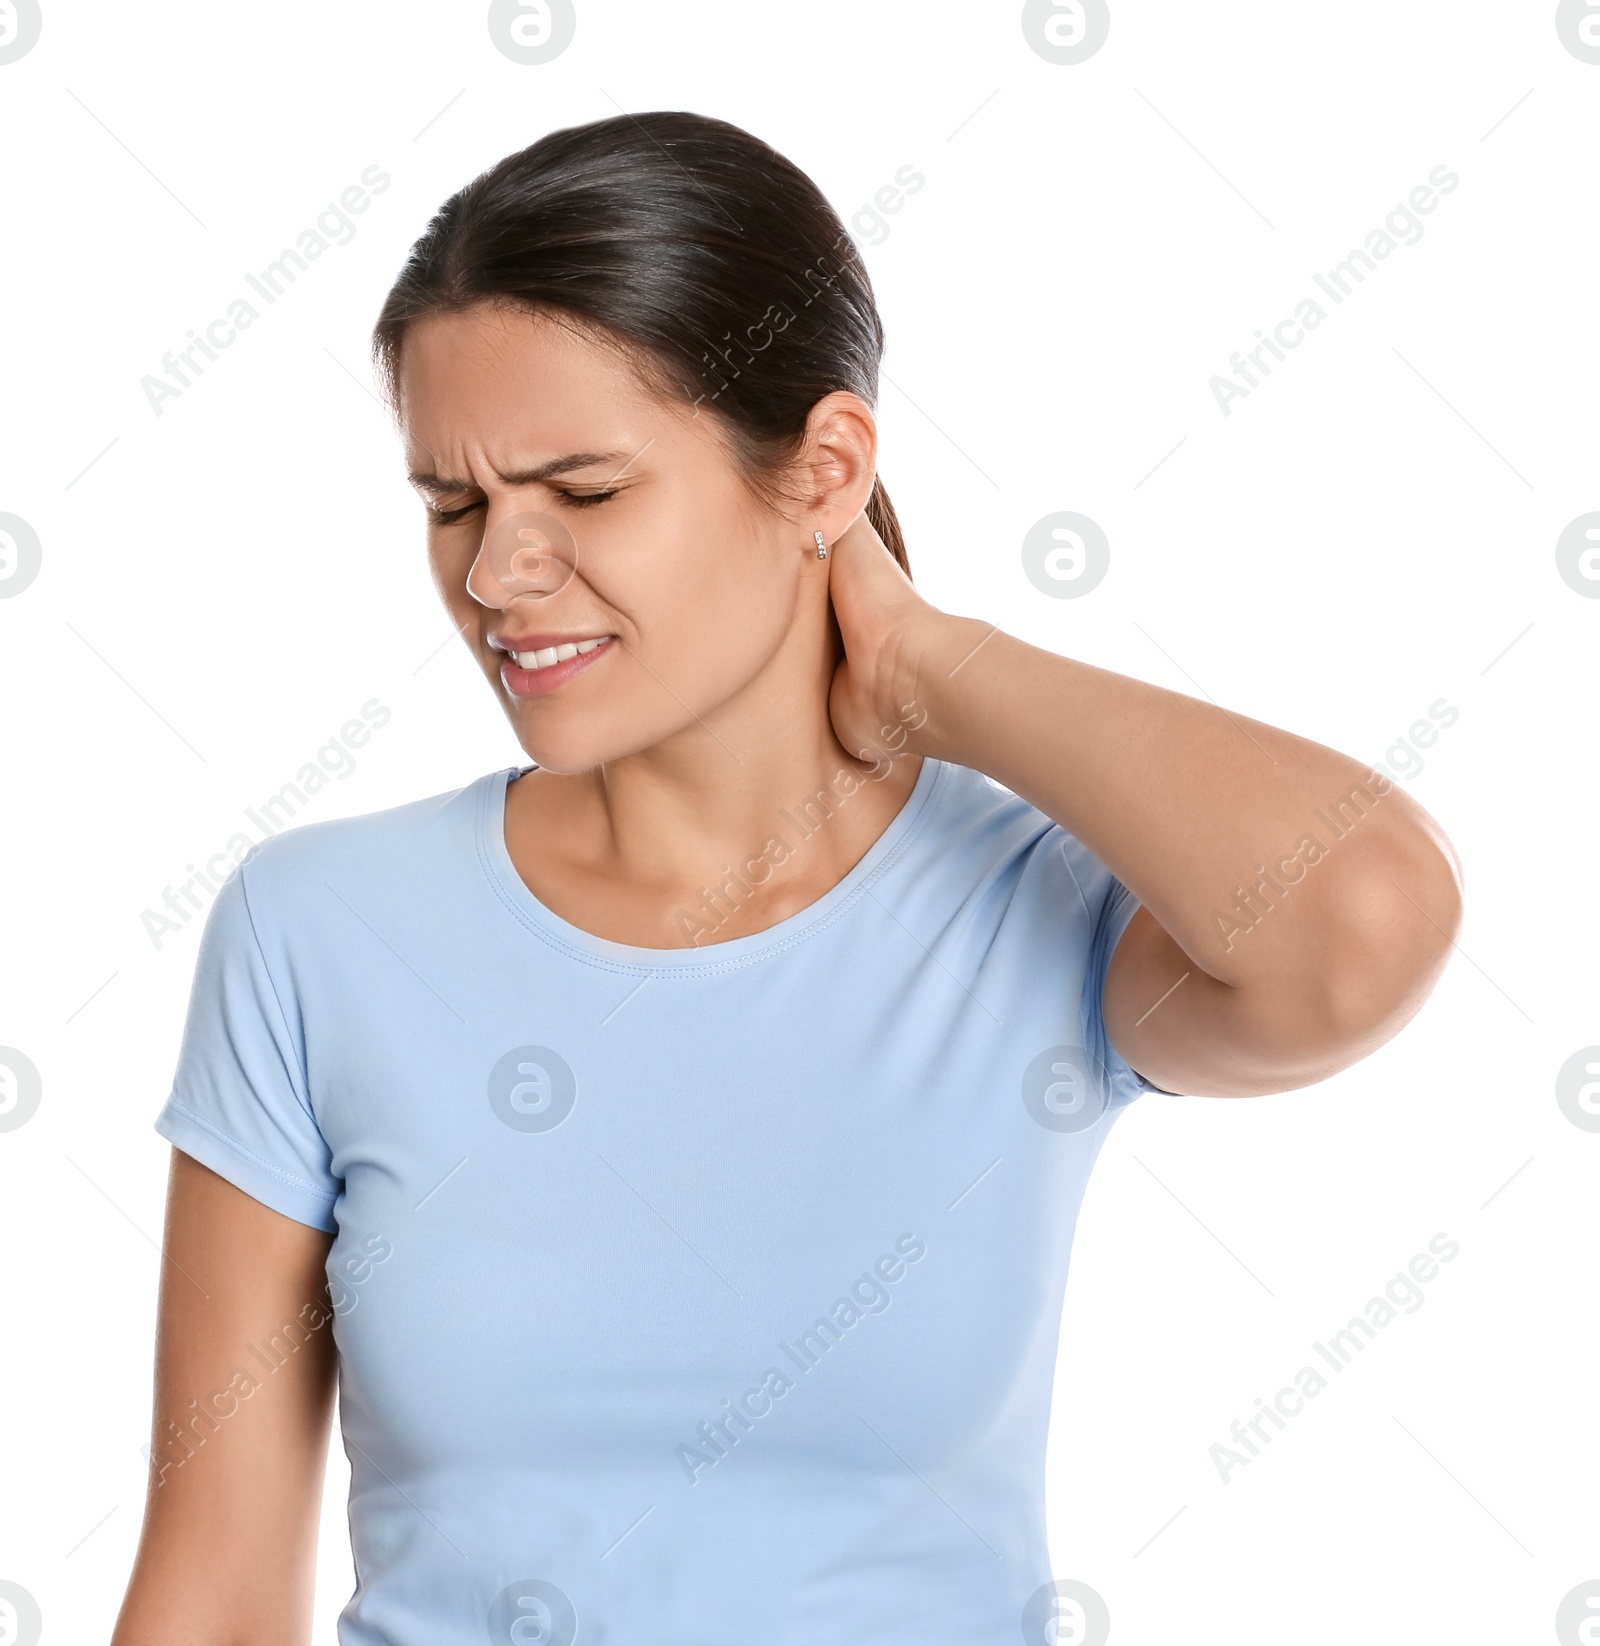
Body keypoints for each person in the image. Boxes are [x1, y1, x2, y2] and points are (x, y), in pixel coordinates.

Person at [111, 111, 1462, 1646]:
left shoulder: (1025, 911)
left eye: (587, 491)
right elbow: (212, 1598)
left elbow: (1364, 921)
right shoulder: (316, 931)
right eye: (453, 503)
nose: (497, 573)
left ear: (826, 467)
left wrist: (932, 667)